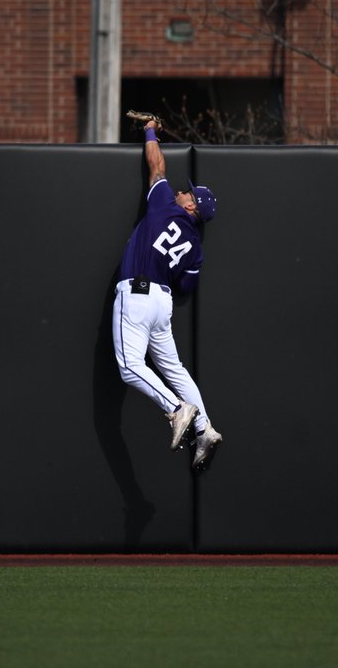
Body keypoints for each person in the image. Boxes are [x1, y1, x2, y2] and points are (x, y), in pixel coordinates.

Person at [113, 116, 223, 469]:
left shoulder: (165, 205)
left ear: (190, 206)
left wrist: (149, 130)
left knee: (130, 366)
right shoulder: (196, 248)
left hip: (137, 294)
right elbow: (187, 284)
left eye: (188, 193)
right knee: (174, 369)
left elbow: (156, 164)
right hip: (162, 303)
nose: (182, 191)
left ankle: (177, 409)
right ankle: (204, 429)